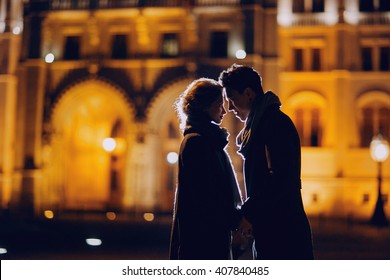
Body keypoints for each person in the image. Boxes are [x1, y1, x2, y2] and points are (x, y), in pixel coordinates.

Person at [219, 64, 314, 260]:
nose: (229, 108)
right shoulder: (261, 124)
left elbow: (279, 179)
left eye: (232, 99)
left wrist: (249, 213)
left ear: (248, 93)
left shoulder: (273, 124)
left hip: (283, 230)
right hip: (274, 226)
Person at [169, 78, 243, 260]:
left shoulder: (206, 139)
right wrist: (237, 219)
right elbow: (207, 196)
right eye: (219, 105)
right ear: (205, 105)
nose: (224, 111)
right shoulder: (197, 142)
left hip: (209, 237)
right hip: (203, 241)